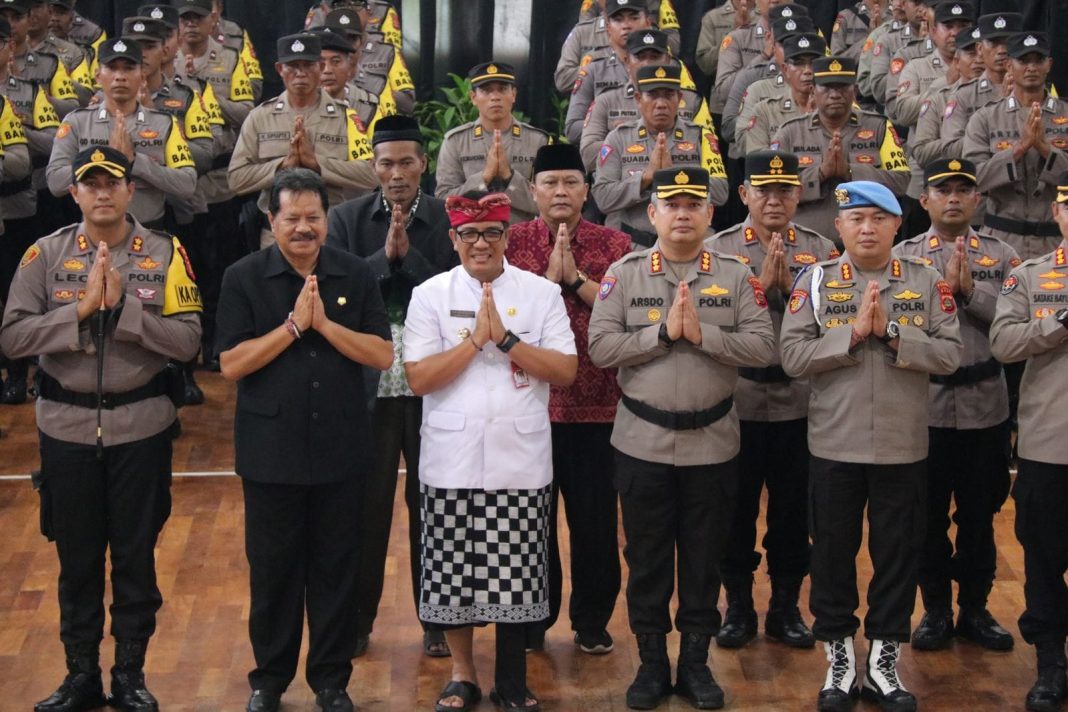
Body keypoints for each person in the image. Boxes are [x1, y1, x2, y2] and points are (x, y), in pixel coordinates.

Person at [1, 145, 202, 712]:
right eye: (90, 183)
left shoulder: (166, 252)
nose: (102, 192)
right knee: (77, 559)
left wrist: (128, 314)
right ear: (75, 192)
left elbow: (189, 341)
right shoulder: (42, 255)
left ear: (130, 190)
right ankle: (80, 674)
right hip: (64, 430)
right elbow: (12, 339)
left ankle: (130, 675)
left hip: (140, 427)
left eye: (112, 182)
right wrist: (81, 312)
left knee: (137, 558)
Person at [589, 167, 775, 710]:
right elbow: (601, 349)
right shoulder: (623, 276)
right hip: (641, 442)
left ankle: (695, 663)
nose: (683, 213)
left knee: (703, 560)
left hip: (713, 443)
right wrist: (663, 333)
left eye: (694, 203)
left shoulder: (737, 276)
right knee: (647, 560)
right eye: (672, 204)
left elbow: (763, 348)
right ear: (653, 214)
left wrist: (704, 335)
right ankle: (650, 665)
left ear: (710, 214)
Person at [780, 180, 962, 712]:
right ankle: (839, 662)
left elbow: (950, 355)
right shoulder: (813, 280)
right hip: (834, 445)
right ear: (838, 227)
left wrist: (896, 338)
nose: (866, 228)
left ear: (895, 226)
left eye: (877, 219)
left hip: (902, 448)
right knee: (832, 557)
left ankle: (883, 663)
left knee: (897, 559)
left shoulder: (926, 282)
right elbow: (792, 356)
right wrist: (854, 336)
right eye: (855, 219)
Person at [215, 168, 393, 712]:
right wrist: (292, 327)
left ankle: (331, 682)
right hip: (271, 452)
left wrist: (323, 326)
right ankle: (268, 681)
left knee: (337, 570)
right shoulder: (243, 277)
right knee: (273, 572)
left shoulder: (356, 273)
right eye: (291, 218)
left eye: (313, 218)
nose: (303, 228)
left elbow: (383, 355)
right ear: (272, 221)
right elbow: (230, 364)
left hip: (343, 446)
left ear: (326, 220)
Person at [403, 192, 578, 712]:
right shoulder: (429, 295)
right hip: (450, 456)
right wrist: (474, 342)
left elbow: (565, 371)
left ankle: (512, 678)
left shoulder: (541, 293)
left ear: (507, 238)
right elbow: (419, 378)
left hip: (519, 458)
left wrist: (504, 341)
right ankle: (462, 674)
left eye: (492, 233)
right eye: (469, 235)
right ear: (453, 239)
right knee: (453, 574)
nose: (481, 243)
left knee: (516, 571)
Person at [325, 114, 457, 659]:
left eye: (406, 162)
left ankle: (437, 620)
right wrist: (385, 261)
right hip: (370, 381)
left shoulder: (450, 217)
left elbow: (459, 289)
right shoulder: (346, 218)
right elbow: (338, 292)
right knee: (366, 507)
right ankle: (358, 622)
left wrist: (412, 260)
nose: (396, 173)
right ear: (372, 166)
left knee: (434, 505)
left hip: (434, 380)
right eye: (386, 163)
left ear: (423, 164)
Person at [706, 150, 836, 651]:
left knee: (792, 513)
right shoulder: (717, 251)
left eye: (785, 190)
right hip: (737, 398)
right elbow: (703, 322)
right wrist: (760, 294)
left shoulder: (823, 250)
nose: (775, 199)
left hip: (800, 401)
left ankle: (785, 607)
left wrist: (796, 297)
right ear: (744, 195)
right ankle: (737, 605)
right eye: (763, 190)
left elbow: (839, 324)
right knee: (733, 512)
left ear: (799, 194)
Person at [505, 143, 631, 654]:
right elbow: (504, 313)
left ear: (587, 191)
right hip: (528, 405)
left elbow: (621, 312)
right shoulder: (511, 243)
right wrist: (543, 284)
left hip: (599, 406)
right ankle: (534, 618)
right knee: (529, 519)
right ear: (532, 190)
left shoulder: (616, 243)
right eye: (550, 183)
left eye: (570, 183)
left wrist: (576, 280)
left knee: (595, 521)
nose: (560, 192)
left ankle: (592, 620)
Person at [893, 158, 1018, 653]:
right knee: (925, 518)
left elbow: (1013, 323)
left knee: (980, 515)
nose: (952, 197)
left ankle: (976, 608)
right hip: (924, 406)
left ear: (978, 199)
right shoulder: (902, 256)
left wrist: (971, 292)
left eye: (962, 190)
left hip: (986, 403)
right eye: (942, 189)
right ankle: (937, 610)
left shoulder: (1004, 255)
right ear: (923, 200)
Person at [989, 172, 1068, 712]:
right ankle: (1050, 664)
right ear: (1059, 214)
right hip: (1051, 445)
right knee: (1042, 559)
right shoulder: (1031, 276)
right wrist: (1060, 322)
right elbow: (1004, 343)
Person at [228, 32, 376, 249]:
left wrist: (316, 164)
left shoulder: (346, 117)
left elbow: (371, 176)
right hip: (275, 235)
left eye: (308, 65)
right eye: (292, 66)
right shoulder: (260, 117)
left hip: (330, 233)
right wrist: (281, 167)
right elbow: (236, 179)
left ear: (320, 67)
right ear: (280, 69)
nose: (300, 73)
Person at [46, 36, 198, 232]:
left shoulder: (164, 123)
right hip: (94, 235)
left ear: (142, 75)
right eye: (112, 68)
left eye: (128, 68)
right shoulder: (76, 122)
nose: (120, 76)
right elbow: (55, 182)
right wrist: (102, 158)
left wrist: (136, 162)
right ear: (97, 75)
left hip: (150, 233)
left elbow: (187, 184)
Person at [770, 56, 910, 242]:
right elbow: (773, 191)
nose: (835, 94)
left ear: (855, 91)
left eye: (842, 87)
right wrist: (819, 174)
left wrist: (851, 172)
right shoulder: (789, 132)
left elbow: (901, 182)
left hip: (865, 244)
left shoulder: (879, 127)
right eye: (827, 87)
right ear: (813, 91)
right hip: (803, 245)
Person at [592, 64, 728, 247]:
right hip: (634, 246)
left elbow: (721, 193)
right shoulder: (618, 138)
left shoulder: (701, 136)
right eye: (653, 95)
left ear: (679, 98)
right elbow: (603, 198)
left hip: (691, 245)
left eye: (669, 95)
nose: (661, 103)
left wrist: (675, 176)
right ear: (639, 99)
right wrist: (645, 179)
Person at [963, 32, 1068, 261]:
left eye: (1038, 60)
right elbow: (973, 177)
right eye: (1023, 60)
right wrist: (1019, 149)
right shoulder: (986, 118)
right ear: (1009, 65)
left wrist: (1044, 149)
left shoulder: (1065, 114)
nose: (1031, 67)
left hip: (1055, 239)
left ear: (1048, 65)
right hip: (1000, 239)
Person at [434, 62, 550, 225]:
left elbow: (548, 201)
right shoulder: (456, 142)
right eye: (486, 90)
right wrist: (484, 178)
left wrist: (509, 177)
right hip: (472, 239)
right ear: (473, 97)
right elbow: (443, 201)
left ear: (514, 94)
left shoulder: (538, 141)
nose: (495, 97)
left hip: (523, 237)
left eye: (502, 89)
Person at [562, 0, 652, 145]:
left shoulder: (670, 66)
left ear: (648, 22)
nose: (626, 25)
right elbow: (572, 129)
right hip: (606, 157)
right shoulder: (593, 70)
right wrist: (612, 128)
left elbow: (688, 117)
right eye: (618, 19)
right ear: (608, 27)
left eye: (634, 18)